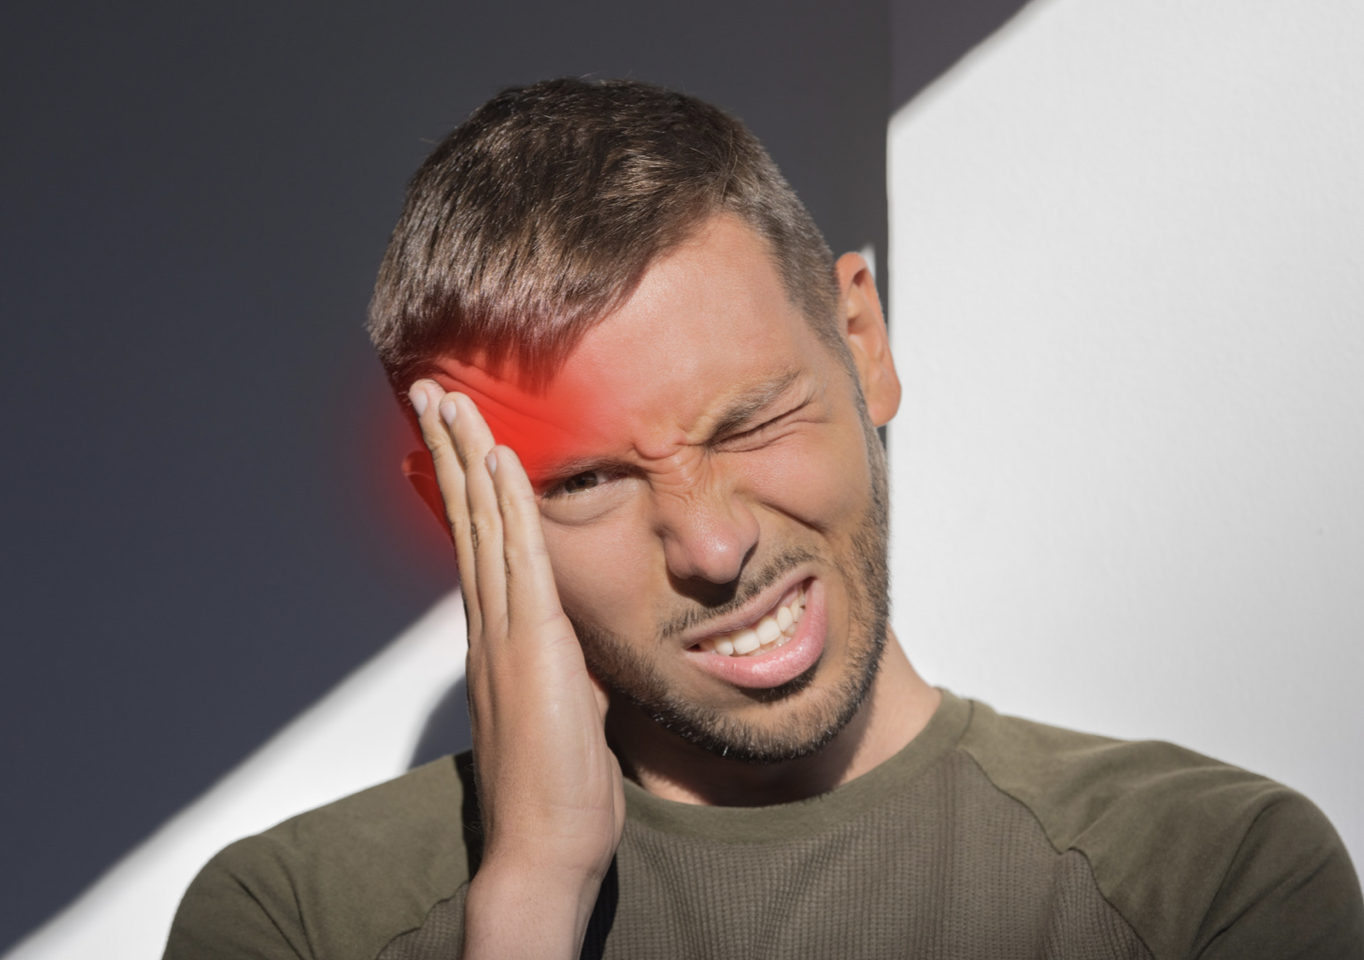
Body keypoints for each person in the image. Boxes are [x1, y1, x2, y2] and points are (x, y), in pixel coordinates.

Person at [164, 78, 1363, 959]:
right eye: (586, 481)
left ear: (862, 342)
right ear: (460, 510)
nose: (712, 545)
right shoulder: (302, 921)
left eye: (749, 422)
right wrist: (530, 898)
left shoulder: (1205, 880)